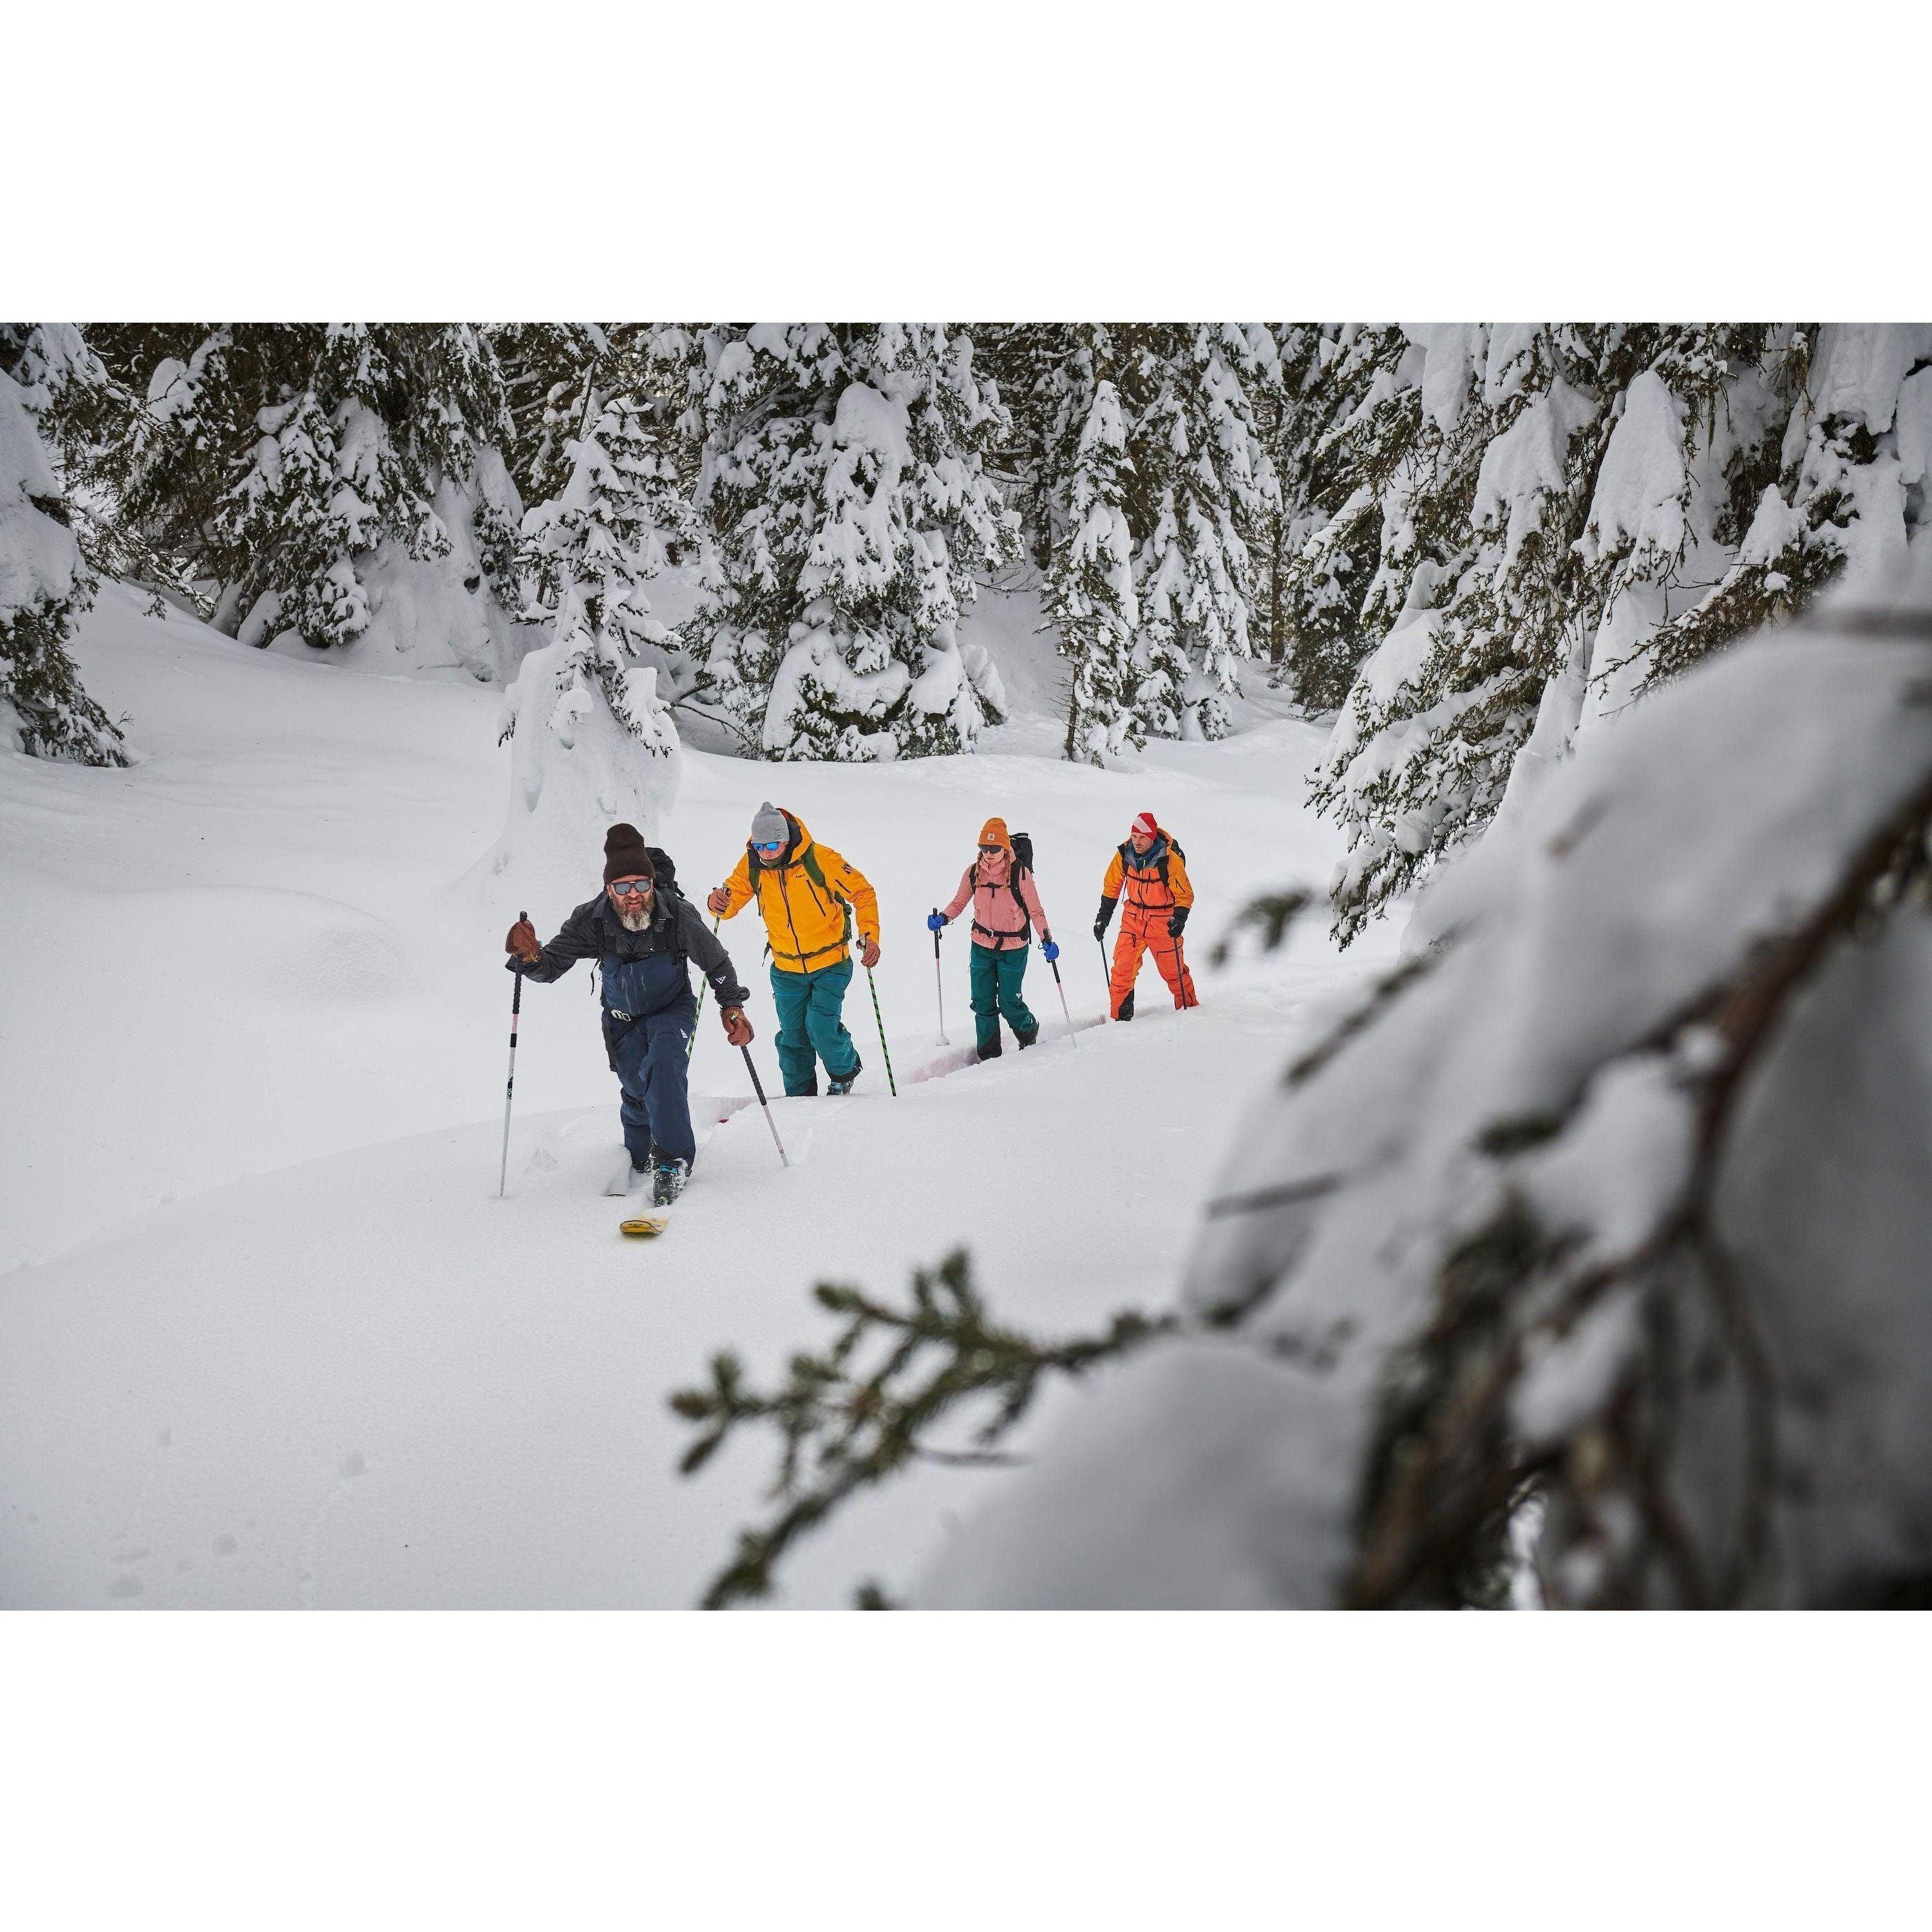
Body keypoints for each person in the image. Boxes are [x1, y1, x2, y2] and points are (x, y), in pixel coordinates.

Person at [506, 823, 753, 1205]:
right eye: (622, 887)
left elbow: (716, 961)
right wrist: (530, 956)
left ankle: (673, 1160)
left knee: (664, 1064)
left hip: (673, 1009)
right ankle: (640, 1151)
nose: (633, 895)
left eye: (641, 884)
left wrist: (732, 1006)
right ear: (609, 889)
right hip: (622, 1018)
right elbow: (551, 967)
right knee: (638, 1090)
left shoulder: (678, 914)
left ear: (653, 883)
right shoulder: (591, 920)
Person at [706, 802, 880, 1097]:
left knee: (820, 1027)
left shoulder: (820, 859)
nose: (767, 852)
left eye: (773, 844)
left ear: (786, 839)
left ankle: (844, 1071)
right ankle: (799, 1099)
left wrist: (869, 934)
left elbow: (863, 893)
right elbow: (730, 899)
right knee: (792, 1038)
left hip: (830, 963)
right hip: (786, 968)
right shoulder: (752, 864)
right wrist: (718, 904)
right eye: (760, 846)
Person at [929, 818, 1058, 1061]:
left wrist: (1046, 938)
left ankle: (1028, 1031)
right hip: (981, 946)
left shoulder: (1020, 874)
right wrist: (944, 918)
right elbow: (959, 902)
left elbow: (1036, 910)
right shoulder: (973, 872)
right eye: (983, 849)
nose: (988, 854)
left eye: (994, 849)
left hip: (1013, 947)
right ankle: (989, 1057)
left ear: (1005, 847)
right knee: (982, 1002)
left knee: (1009, 1001)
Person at [1094, 810, 1198, 1021]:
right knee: (1121, 972)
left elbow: (1184, 894)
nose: (1137, 842)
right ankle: (1119, 1022)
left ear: (1152, 837)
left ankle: (1192, 1016)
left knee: (1175, 975)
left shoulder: (1169, 861)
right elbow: (1112, 885)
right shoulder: (1124, 854)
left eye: (1142, 837)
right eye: (1134, 836)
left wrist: (1179, 918)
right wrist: (1103, 918)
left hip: (1163, 923)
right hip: (1132, 920)